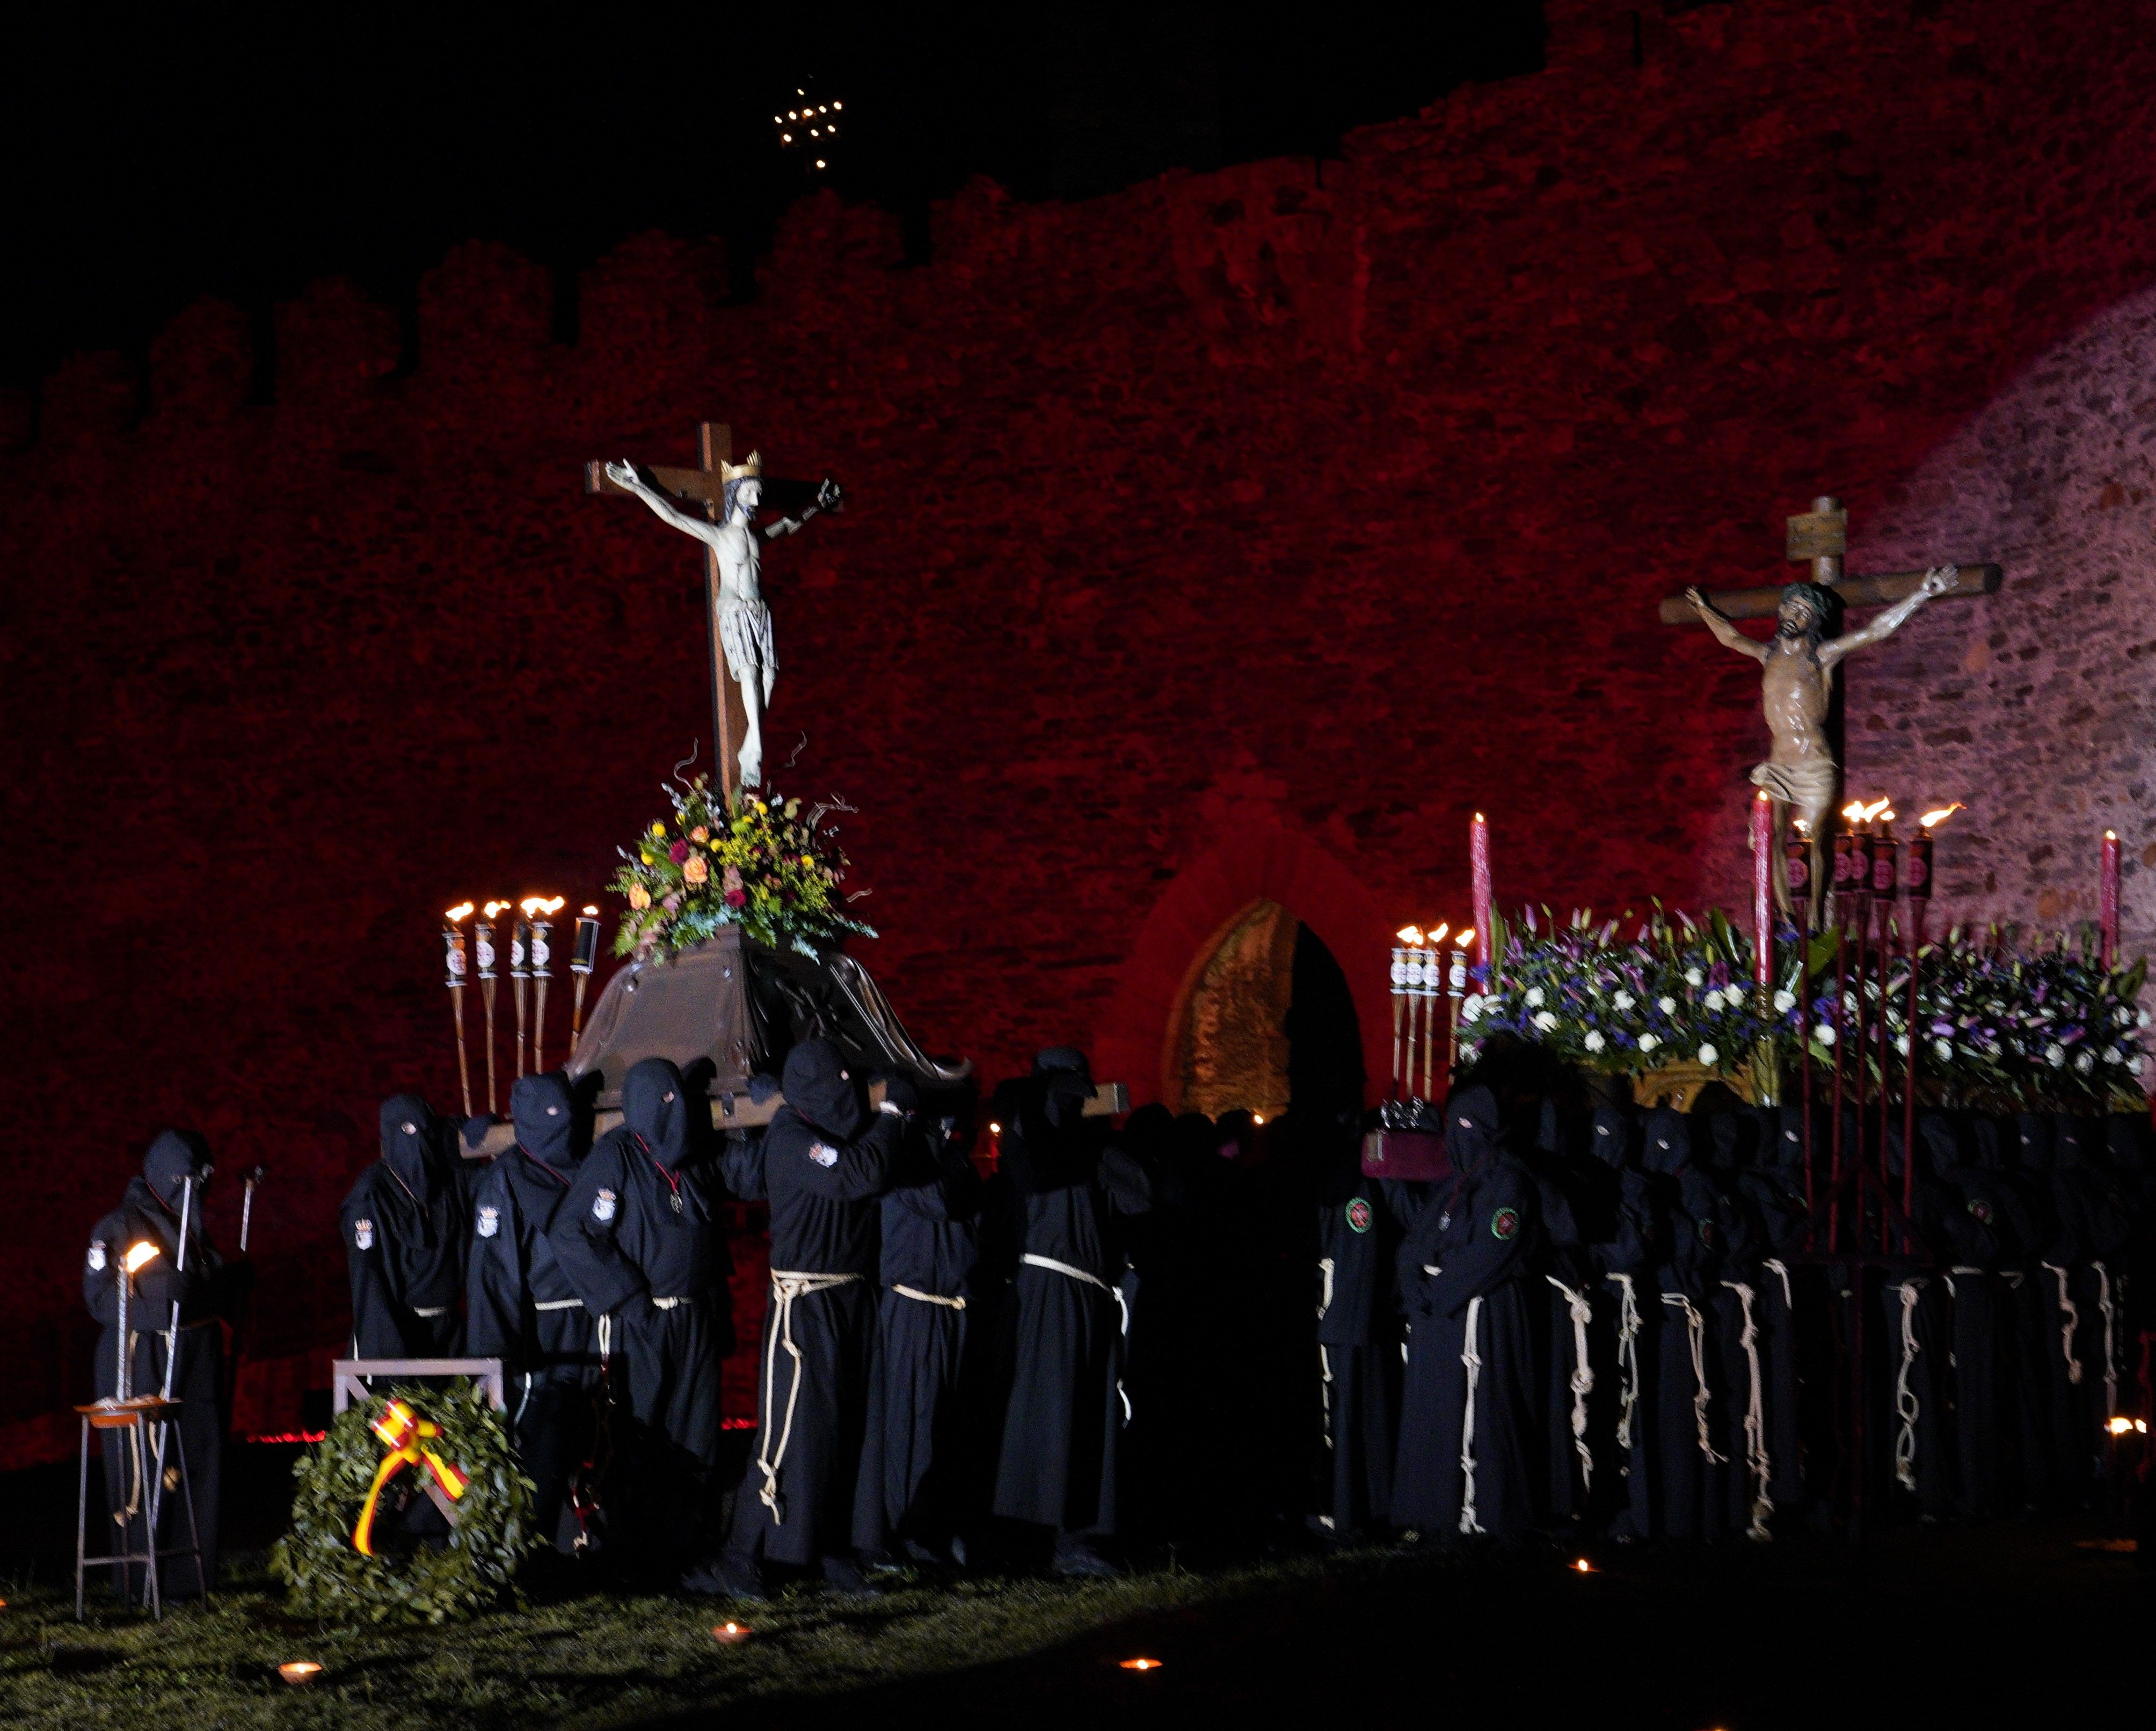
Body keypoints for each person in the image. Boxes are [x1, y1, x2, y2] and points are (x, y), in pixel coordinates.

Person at [697, 1039, 902, 1597]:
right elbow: (856, 1175)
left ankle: (833, 1549)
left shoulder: (838, 1135)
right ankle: (740, 1556)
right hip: (804, 1305)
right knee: (787, 1433)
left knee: (845, 1430)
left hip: (850, 1298)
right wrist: (892, 1114)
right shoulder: (792, 1138)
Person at [551, 1058, 734, 1568]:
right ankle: (621, 1548)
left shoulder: (691, 1156)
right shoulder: (617, 1157)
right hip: (641, 1322)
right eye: (665, 1102)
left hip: (693, 1319)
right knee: (635, 1434)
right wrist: (631, 1301)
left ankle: (686, 1547)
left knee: (696, 1431)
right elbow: (573, 1232)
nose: (675, 1112)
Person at [992, 1048, 1152, 1575]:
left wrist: (1097, 1144)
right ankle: (1042, 1535)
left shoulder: (1092, 1149)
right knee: (1050, 1410)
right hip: (1049, 1286)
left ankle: (1079, 1532)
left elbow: (1137, 1197)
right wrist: (1055, 1109)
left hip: (1089, 1290)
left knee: (1086, 1412)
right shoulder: (1030, 1135)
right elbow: (1037, 1171)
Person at [82, 1129, 248, 1601]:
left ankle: (189, 1579)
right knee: (144, 1464)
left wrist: (227, 1285)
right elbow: (99, 1295)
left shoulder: (190, 1226)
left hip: (195, 1355)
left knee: (196, 1458)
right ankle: (141, 1581)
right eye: (185, 1180)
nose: (194, 1190)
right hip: (142, 1356)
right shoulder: (121, 1225)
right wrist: (159, 1299)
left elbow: (200, 1287)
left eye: (201, 1180)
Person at [1389, 1086, 1540, 1544]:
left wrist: (1437, 1292)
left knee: (1482, 1413)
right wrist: (1413, 1285)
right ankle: (1434, 1509)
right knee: (1434, 1413)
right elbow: (1417, 1240)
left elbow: (1493, 1249)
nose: (1459, 1135)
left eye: (1467, 1125)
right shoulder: (1453, 1183)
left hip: (1479, 1316)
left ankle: (1483, 1509)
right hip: (1440, 1318)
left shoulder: (1508, 1182)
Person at [467, 1071, 603, 1554]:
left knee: (593, 1425)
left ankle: (585, 1534)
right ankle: (528, 1538)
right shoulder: (507, 1178)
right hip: (543, 1330)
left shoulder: (590, 1164)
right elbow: (495, 1271)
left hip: (594, 1321)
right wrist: (497, 1354)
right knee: (543, 1431)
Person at [854, 1080, 986, 1565]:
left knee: (946, 1420)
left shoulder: (956, 1164)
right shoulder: (907, 1163)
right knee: (908, 1418)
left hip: (951, 1307)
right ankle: (904, 1526)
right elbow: (938, 1201)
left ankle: (937, 1522)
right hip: (912, 1306)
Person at [1313, 1108, 1401, 1539]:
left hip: (1353, 1322)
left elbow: (1359, 1255)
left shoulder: (1358, 1186)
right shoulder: (1350, 1183)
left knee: (1358, 1417)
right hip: (1348, 1321)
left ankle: (1358, 1509)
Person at [342, 1094, 471, 1357]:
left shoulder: (446, 1184)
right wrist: (388, 1358)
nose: (419, 1140)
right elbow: (369, 1280)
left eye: (426, 1130)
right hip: (398, 1333)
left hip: (449, 1335)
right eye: (408, 1130)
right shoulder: (371, 1194)